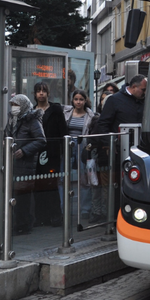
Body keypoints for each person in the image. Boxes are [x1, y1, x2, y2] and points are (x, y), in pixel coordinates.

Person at [91, 75, 147, 220]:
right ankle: (116, 218)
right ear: (133, 87)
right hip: (120, 151)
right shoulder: (115, 100)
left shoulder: (145, 101)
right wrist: (110, 142)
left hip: (142, 151)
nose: (145, 92)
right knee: (118, 187)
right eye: (143, 89)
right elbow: (102, 124)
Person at [8, 94, 46, 234]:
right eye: (12, 105)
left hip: (25, 162)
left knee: (23, 195)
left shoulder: (32, 120)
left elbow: (41, 140)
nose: (13, 108)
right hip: (12, 161)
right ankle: (16, 222)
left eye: (16, 105)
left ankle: (24, 224)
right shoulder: (12, 119)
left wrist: (24, 151)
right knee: (14, 193)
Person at [33, 82, 68, 227]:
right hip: (36, 152)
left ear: (48, 93)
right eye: (38, 91)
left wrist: (63, 150)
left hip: (52, 151)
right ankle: (41, 216)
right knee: (37, 184)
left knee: (51, 182)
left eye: (43, 91)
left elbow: (63, 131)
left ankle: (55, 215)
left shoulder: (55, 109)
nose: (41, 93)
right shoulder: (32, 110)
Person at [63, 90, 98, 223]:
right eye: (76, 99)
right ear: (72, 100)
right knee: (63, 178)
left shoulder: (90, 115)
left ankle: (85, 209)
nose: (78, 102)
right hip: (67, 147)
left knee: (84, 179)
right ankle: (64, 208)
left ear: (85, 101)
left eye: (81, 99)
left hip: (82, 148)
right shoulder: (66, 113)